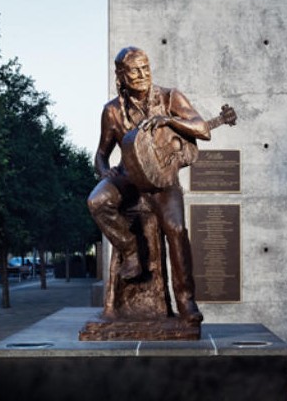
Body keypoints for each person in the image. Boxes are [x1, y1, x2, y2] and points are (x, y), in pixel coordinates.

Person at [87, 46, 210, 323]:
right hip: (127, 177)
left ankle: (186, 301)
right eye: (134, 69)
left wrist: (170, 119)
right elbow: (101, 153)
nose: (143, 74)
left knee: (177, 229)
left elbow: (203, 130)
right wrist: (104, 172)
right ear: (121, 74)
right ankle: (131, 249)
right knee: (96, 201)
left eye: (146, 67)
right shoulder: (112, 112)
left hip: (162, 182)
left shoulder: (169, 97)